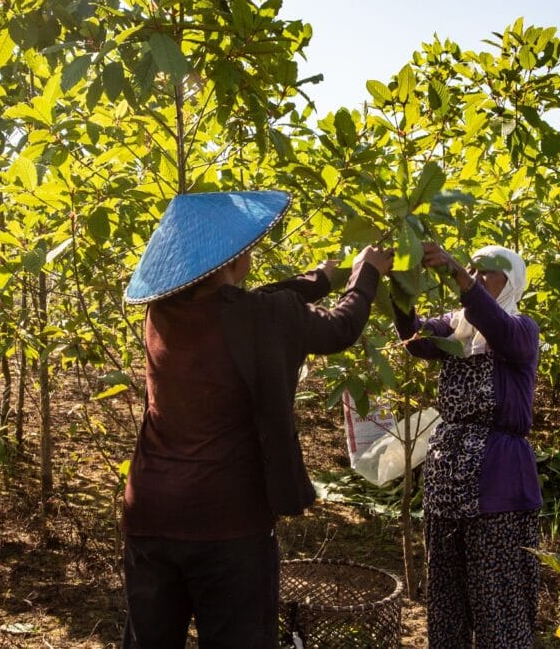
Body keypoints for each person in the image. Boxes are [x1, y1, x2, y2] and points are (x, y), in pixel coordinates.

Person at [120, 191, 393, 648]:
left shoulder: (161, 312)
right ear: (228, 259)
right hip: (229, 521)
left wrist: (319, 278)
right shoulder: (261, 318)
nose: (249, 250)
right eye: (242, 245)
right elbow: (339, 328)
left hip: (149, 510)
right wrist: (366, 275)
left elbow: (250, 303)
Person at [392, 241, 542, 648]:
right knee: (446, 587)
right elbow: (417, 342)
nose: (475, 278)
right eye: (471, 271)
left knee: (496, 590)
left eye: (485, 272)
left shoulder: (522, 329)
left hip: (497, 476)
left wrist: (458, 273)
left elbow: (500, 331)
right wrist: (400, 284)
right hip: (447, 472)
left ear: (509, 281)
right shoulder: (455, 327)